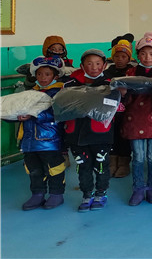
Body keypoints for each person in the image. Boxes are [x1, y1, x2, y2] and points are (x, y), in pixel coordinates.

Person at [121, 32, 152, 206]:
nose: (147, 57)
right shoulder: (130, 72)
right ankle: (137, 188)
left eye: (151, 53)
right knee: (138, 157)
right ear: (137, 55)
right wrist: (123, 93)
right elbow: (124, 98)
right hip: (134, 119)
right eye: (143, 53)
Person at [64, 49, 115, 212]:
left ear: (104, 65)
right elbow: (62, 106)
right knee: (83, 166)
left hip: (100, 134)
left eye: (98, 63)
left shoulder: (110, 84)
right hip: (76, 135)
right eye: (89, 63)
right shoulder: (70, 84)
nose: (94, 67)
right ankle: (87, 194)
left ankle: (101, 193)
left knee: (101, 165)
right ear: (82, 66)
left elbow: (116, 106)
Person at [15, 57, 67, 211]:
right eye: (39, 74)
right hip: (29, 140)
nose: (43, 78)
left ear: (55, 76)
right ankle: (37, 194)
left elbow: (57, 113)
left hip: (49, 140)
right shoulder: (31, 92)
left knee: (54, 167)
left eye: (47, 74)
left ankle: (57, 194)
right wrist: (15, 115)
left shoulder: (60, 92)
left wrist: (33, 115)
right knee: (33, 168)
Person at [104, 36, 134, 179]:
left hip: (127, 111)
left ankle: (124, 163)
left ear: (129, 58)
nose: (120, 59)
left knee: (124, 137)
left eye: (123, 56)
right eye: (117, 56)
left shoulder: (132, 72)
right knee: (111, 136)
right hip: (110, 113)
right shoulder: (107, 72)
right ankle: (112, 162)